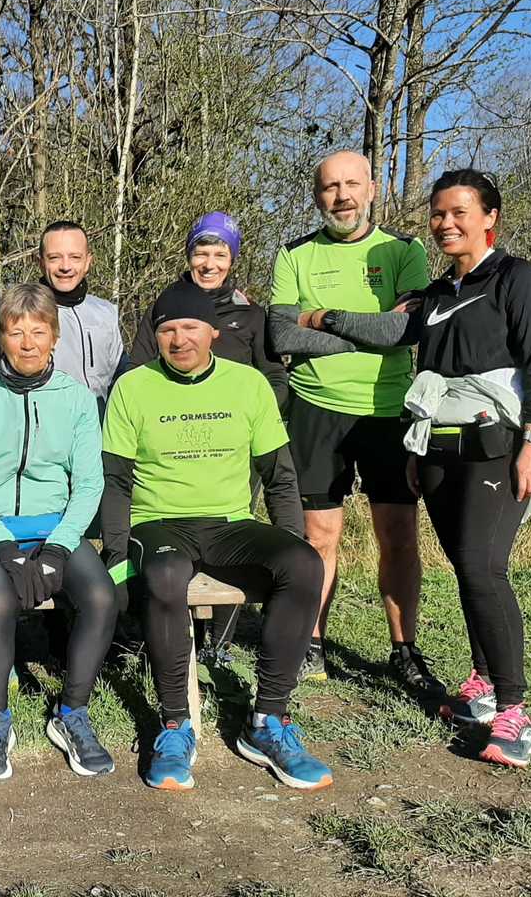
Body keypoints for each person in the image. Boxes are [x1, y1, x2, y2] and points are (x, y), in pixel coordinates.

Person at [310, 169, 531, 768]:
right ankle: (483, 683)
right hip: (437, 447)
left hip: (495, 445)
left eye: (458, 212)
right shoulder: (439, 292)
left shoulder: (514, 277)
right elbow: (411, 351)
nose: (445, 223)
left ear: (490, 218)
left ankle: (515, 714)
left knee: (482, 567)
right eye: (438, 214)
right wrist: (417, 453)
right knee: (465, 568)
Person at [103, 281, 332, 791]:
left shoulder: (247, 384)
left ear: (212, 332)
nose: (179, 339)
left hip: (229, 523)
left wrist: (291, 540)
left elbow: (279, 476)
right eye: (167, 330)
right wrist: (117, 557)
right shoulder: (133, 387)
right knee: (165, 574)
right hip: (158, 523)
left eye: (190, 327)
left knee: (304, 564)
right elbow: (115, 482)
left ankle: (268, 721)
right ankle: (174, 726)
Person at [267, 150, 438, 690]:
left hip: (390, 411)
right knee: (318, 536)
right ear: (317, 195)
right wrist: (368, 330)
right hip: (315, 408)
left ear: (372, 188)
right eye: (329, 187)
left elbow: (405, 331)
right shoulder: (293, 254)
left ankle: (404, 649)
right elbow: (281, 334)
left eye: (351, 184)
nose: (341, 196)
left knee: (399, 536)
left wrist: (324, 318)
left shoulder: (404, 250)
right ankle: (311, 645)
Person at [0, 283, 117, 781]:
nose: (27, 343)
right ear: (1, 337)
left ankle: (72, 714)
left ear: (54, 337)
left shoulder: (77, 398)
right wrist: (2, 546)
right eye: (16, 332)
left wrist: (59, 550)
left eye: (38, 332)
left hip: (56, 528)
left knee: (102, 597)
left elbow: (89, 482)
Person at [134, 212, 287, 666]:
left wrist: (254, 416)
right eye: (201, 252)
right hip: (173, 441)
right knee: (176, 542)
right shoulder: (165, 305)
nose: (209, 263)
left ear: (232, 259)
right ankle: (177, 636)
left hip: (233, 446)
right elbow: (138, 368)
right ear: (189, 255)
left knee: (229, 537)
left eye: (220, 254)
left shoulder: (251, 313)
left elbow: (274, 375)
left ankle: (218, 642)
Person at [37, 220, 127, 412]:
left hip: (100, 424)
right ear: (41, 263)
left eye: (75, 257)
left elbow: (120, 379)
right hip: (49, 424)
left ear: (88, 262)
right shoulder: (26, 315)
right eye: (54, 258)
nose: (65, 266)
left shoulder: (106, 312)